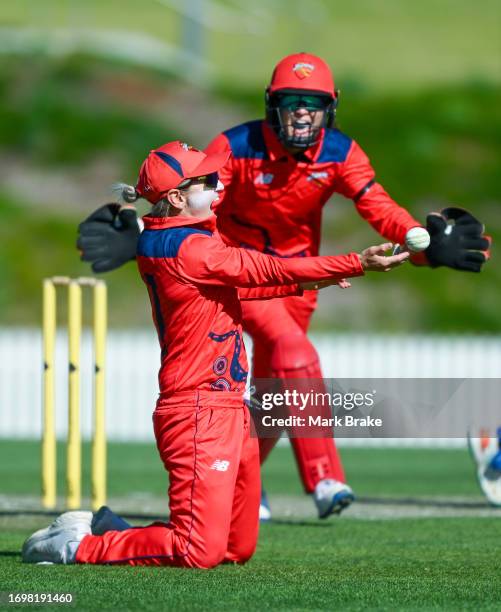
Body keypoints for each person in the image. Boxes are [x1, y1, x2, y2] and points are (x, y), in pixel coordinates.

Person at [76, 53, 490, 521]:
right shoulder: (236, 146)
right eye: (290, 101)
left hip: (300, 282)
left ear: (329, 109)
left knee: (273, 389)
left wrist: (422, 243)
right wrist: (144, 233)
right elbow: (188, 196)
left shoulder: (341, 153)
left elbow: (377, 206)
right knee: (295, 353)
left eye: (311, 103)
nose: (301, 111)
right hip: (240, 272)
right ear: (272, 105)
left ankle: (240, 489)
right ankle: (324, 478)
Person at [23, 141, 409, 567]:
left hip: (228, 408)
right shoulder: (190, 247)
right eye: (206, 180)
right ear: (174, 197)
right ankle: (78, 547)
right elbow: (265, 269)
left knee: (234, 548)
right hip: (198, 411)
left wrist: (314, 280)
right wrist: (353, 262)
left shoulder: (184, 237)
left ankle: (109, 529)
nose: (217, 183)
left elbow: (246, 284)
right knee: (198, 552)